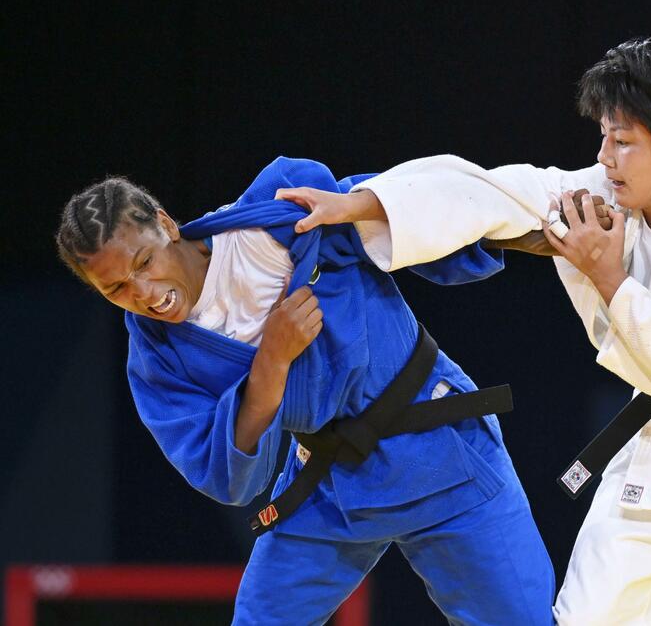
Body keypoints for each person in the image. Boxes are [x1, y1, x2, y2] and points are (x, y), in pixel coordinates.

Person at [279, 38, 651, 625]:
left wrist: (607, 275)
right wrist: (361, 202)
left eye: (623, 142)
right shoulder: (600, 198)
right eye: (604, 135)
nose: (604, 157)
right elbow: (488, 190)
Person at [54, 159, 556, 625]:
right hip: (327, 481)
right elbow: (226, 474)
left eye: (143, 262)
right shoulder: (156, 357)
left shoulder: (275, 216)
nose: (142, 293)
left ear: (165, 225)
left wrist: (541, 231)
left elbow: (414, 212)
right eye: (116, 289)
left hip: (439, 447)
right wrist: (272, 361)